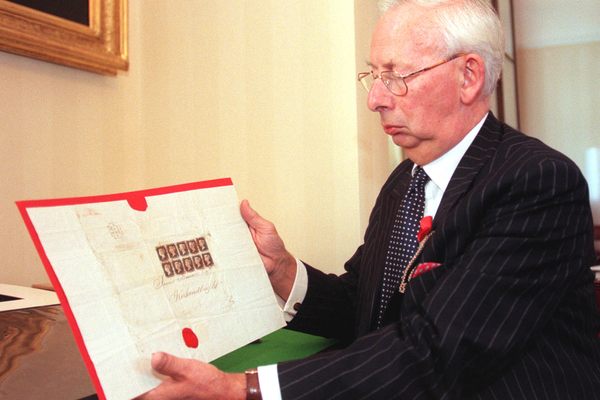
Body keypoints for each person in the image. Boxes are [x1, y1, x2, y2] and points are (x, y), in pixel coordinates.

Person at [139, 1, 600, 399]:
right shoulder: (406, 180)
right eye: (373, 76)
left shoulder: (536, 181)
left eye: (397, 76)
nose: (375, 99)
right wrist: (282, 271)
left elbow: (438, 353)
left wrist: (244, 389)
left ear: (469, 76)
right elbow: (367, 305)